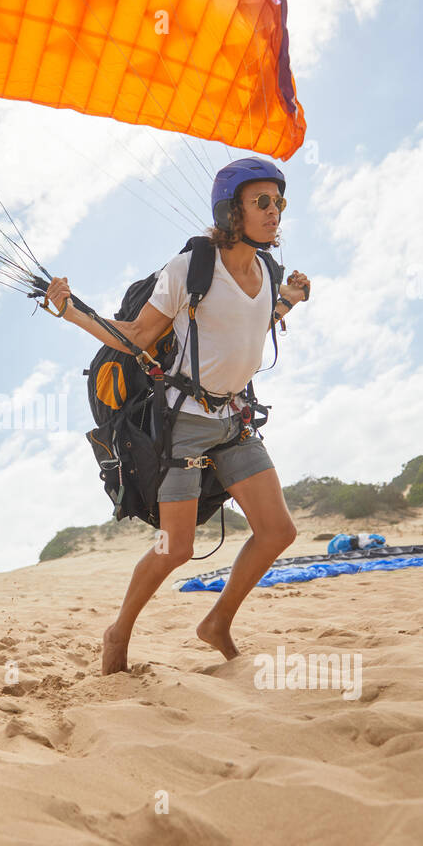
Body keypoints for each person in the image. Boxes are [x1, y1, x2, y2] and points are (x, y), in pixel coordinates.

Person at [45, 157, 311, 674]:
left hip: (234, 419)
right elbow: (138, 336)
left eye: (280, 202)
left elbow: (254, 325)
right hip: (184, 427)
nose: (275, 211)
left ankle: (216, 623)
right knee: (176, 548)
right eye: (263, 202)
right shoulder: (192, 268)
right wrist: (74, 311)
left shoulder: (266, 270)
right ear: (232, 209)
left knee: (278, 531)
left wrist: (291, 301)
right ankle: (118, 632)